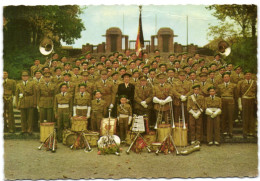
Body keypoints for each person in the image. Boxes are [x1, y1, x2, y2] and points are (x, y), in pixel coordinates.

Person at [217, 72, 237, 138]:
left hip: (231, 101)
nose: (226, 78)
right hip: (222, 101)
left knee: (230, 117)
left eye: (227, 77)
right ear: (223, 78)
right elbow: (219, 95)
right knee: (223, 117)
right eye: (225, 77)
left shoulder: (234, 85)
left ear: (229, 78)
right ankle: (224, 131)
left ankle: (230, 131)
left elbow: (235, 95)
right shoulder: (219, 86)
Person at [237, 70, 257, 138]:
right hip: (244, 100)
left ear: (251, 75)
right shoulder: (241, 82)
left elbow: (257, 93)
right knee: (245, 116)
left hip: (252, 100)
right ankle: (245, 132)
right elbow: (239, 93)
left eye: (249, 74)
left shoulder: (254, 82)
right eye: (247, 74)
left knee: (252, 117)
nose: (248, 76)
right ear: (244, 75)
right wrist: (239, 104)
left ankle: (251, 132)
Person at [15, 71, 37, 135]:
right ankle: (23, 129)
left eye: (26, 76)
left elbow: (35, 94)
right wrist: (17, 104)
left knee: (30, 117)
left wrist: (34, 103)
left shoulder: (32, 84)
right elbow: (16, 95)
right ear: (22, 77)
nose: (25, 77)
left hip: (30, 101)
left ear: (28, 77)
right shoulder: (18, 84)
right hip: (22, 102)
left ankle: (29, 129)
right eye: (23, 76)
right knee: (23, 117)